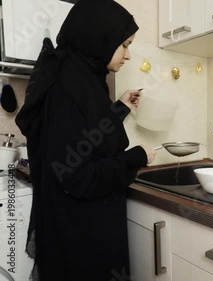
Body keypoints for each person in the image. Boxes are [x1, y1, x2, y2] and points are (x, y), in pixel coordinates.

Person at [15, 0, 156, 280]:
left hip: (76, 227)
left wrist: (121, 107)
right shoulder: (69, 89)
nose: (128, 55)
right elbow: (77, 175)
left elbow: (85, 137)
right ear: (99, 36)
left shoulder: (78, 79)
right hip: (81, 236)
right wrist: (137, 156)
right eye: (125, 44)